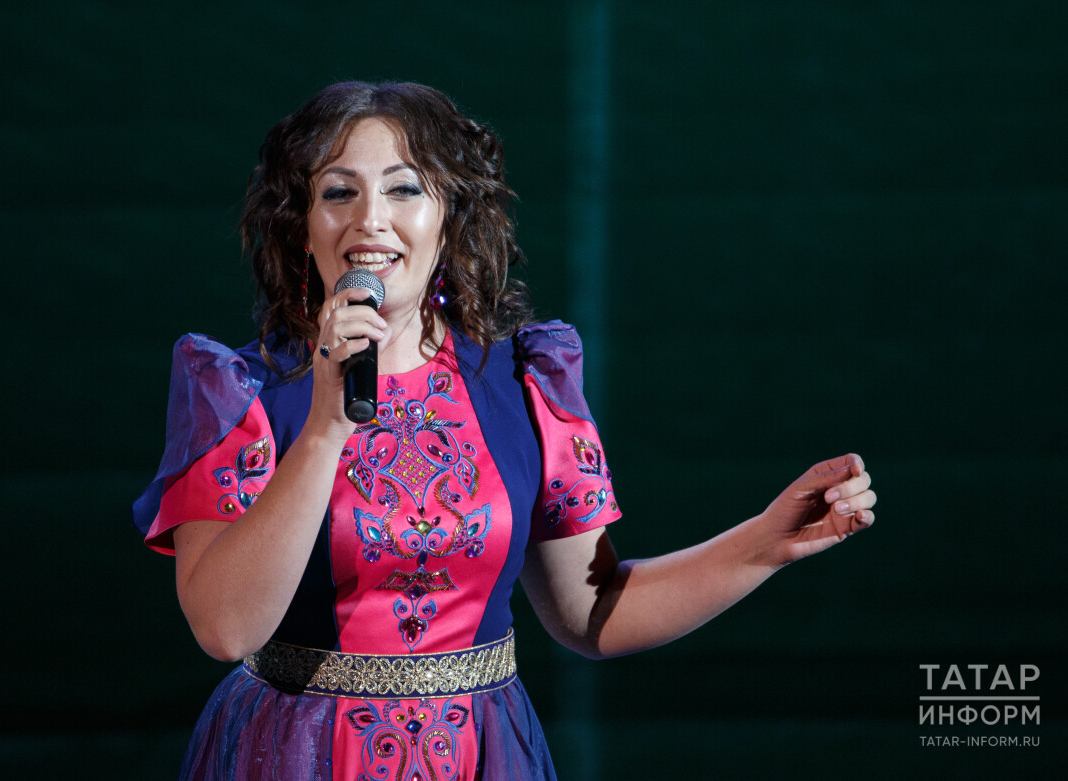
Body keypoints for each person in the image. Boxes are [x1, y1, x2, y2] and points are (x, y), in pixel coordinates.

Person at [132, 81, 877, 781]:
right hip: (298, 754)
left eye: (404, 188)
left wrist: (764, 542)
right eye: (338, 191)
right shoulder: (239, 390)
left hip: (481, 753)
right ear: (303, 226)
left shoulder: (524, 381)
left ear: (449, 217)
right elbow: (225, 630)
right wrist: (327, 426)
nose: (370, 219)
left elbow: (591, 612)